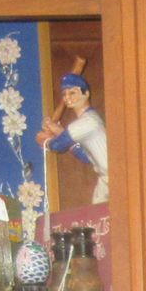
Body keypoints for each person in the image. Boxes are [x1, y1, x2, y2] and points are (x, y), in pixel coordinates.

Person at [36, 71, 109, 204]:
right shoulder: (84, 123)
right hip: (106, 177)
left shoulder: (88, 122)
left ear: (86, 94)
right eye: (64, 94)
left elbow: (58, 145)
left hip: (114, 176)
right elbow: (84, 156)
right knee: (98, 216)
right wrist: (55, 129)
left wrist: (45, 141)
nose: (67, 97)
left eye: (72, 93)